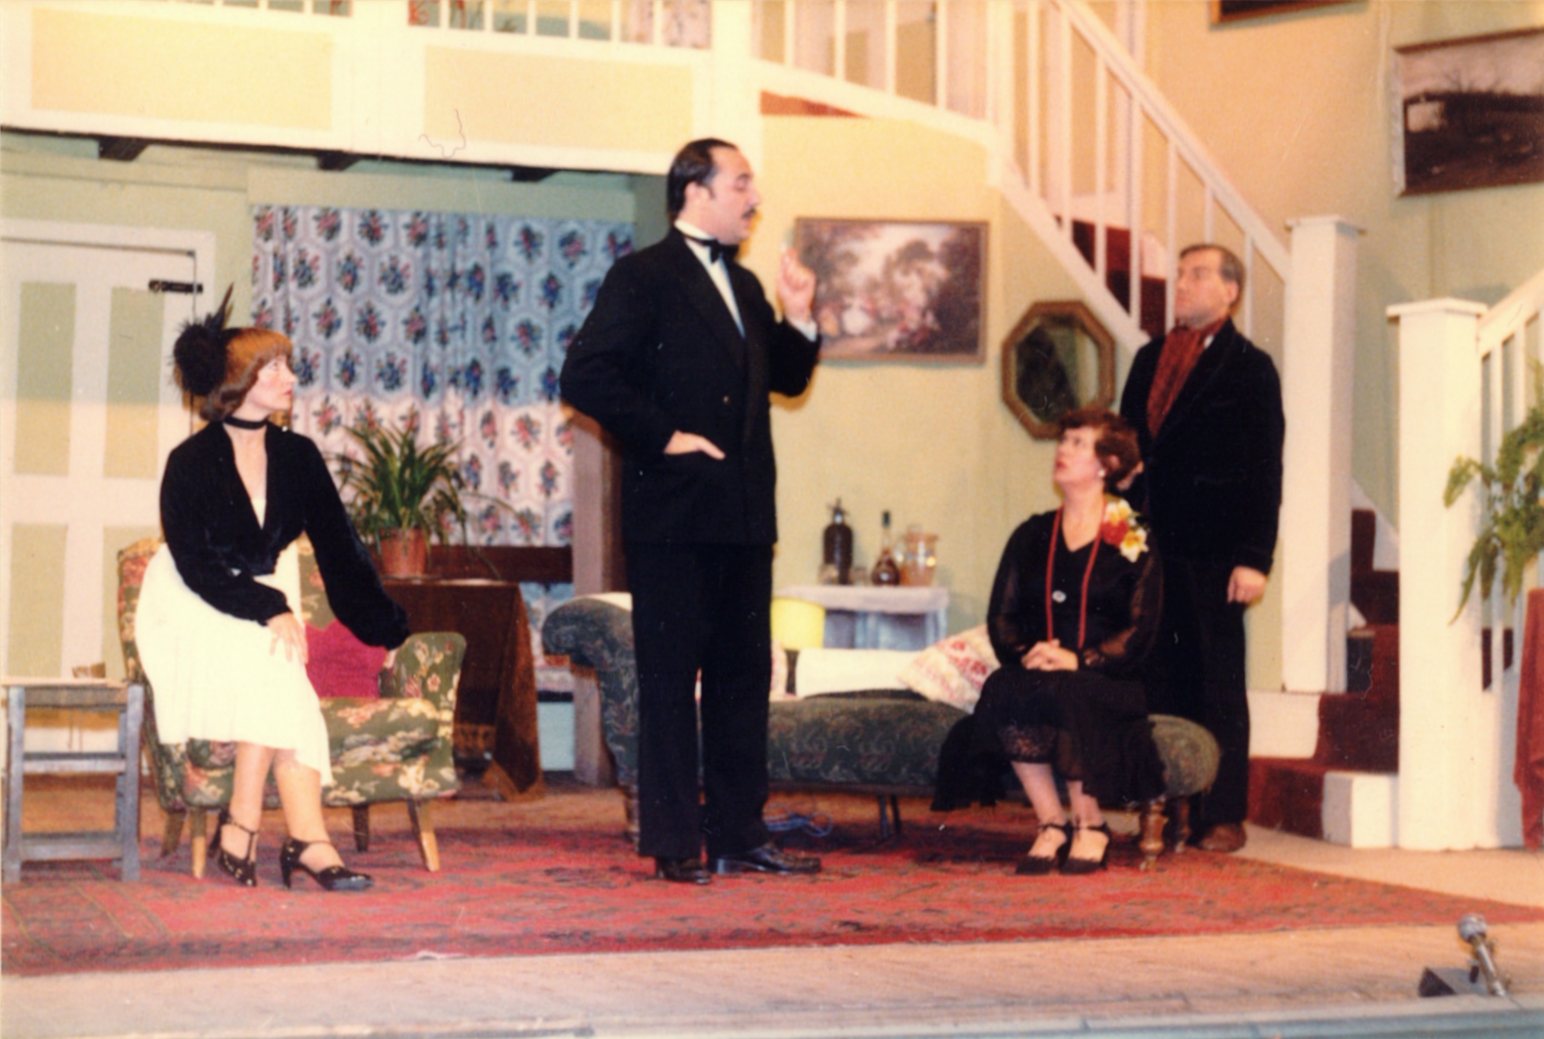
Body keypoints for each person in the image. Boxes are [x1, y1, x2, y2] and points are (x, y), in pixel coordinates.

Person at [560, 138, 822, 885]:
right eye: (741, 183)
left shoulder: (745, 285)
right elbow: (585, 374)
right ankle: (674, 841)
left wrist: (799, 317)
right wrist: (664, 434)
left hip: (744, 520)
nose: (754, 198)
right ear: (696, 191)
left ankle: (740, 834)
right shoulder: (643, 275)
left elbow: (787, 378)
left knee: (743, 683)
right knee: (671, 683)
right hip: (673, 519)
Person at [135, 292, 410, 891]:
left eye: (288, 364)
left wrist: (383, 628)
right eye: (274, 367)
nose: (291, 376)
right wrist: (270, 607)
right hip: (192, 601)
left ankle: (254, 828)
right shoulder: (190, 461)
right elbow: (196, 565)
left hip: (264, 602)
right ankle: (303, 841)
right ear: (238, 381)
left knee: (277, 668)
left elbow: (342, 551)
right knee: (277, 658)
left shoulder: (298, 456)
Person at [1118, 243, 1285, 854]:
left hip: (1216, 551)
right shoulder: (1150, 358)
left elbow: (1265, 470)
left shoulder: (1251, 367)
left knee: (1217, 683)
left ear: (1230, 291)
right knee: (1156, 679)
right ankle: (1163, 808)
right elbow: (1129, 443)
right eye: (1179, 274)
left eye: (1197, 274)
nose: (1182, 284)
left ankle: (1221, 814)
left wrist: (1255, 558)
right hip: (1150, 548)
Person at [967, 407, 1166, 875]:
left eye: (1078, 443)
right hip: (1043, 668)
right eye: (1064, 441)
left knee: (1071, 690)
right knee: (1004, 686)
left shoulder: (1133, 535)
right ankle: (1051, 822)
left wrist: (1081, 659)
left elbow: (1142, 628)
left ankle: (1090, 824)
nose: (1063, 450)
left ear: (1107, 463)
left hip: (1107, 676)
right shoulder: (1032, 533)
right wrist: (1028, 653)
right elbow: (1002, 615)